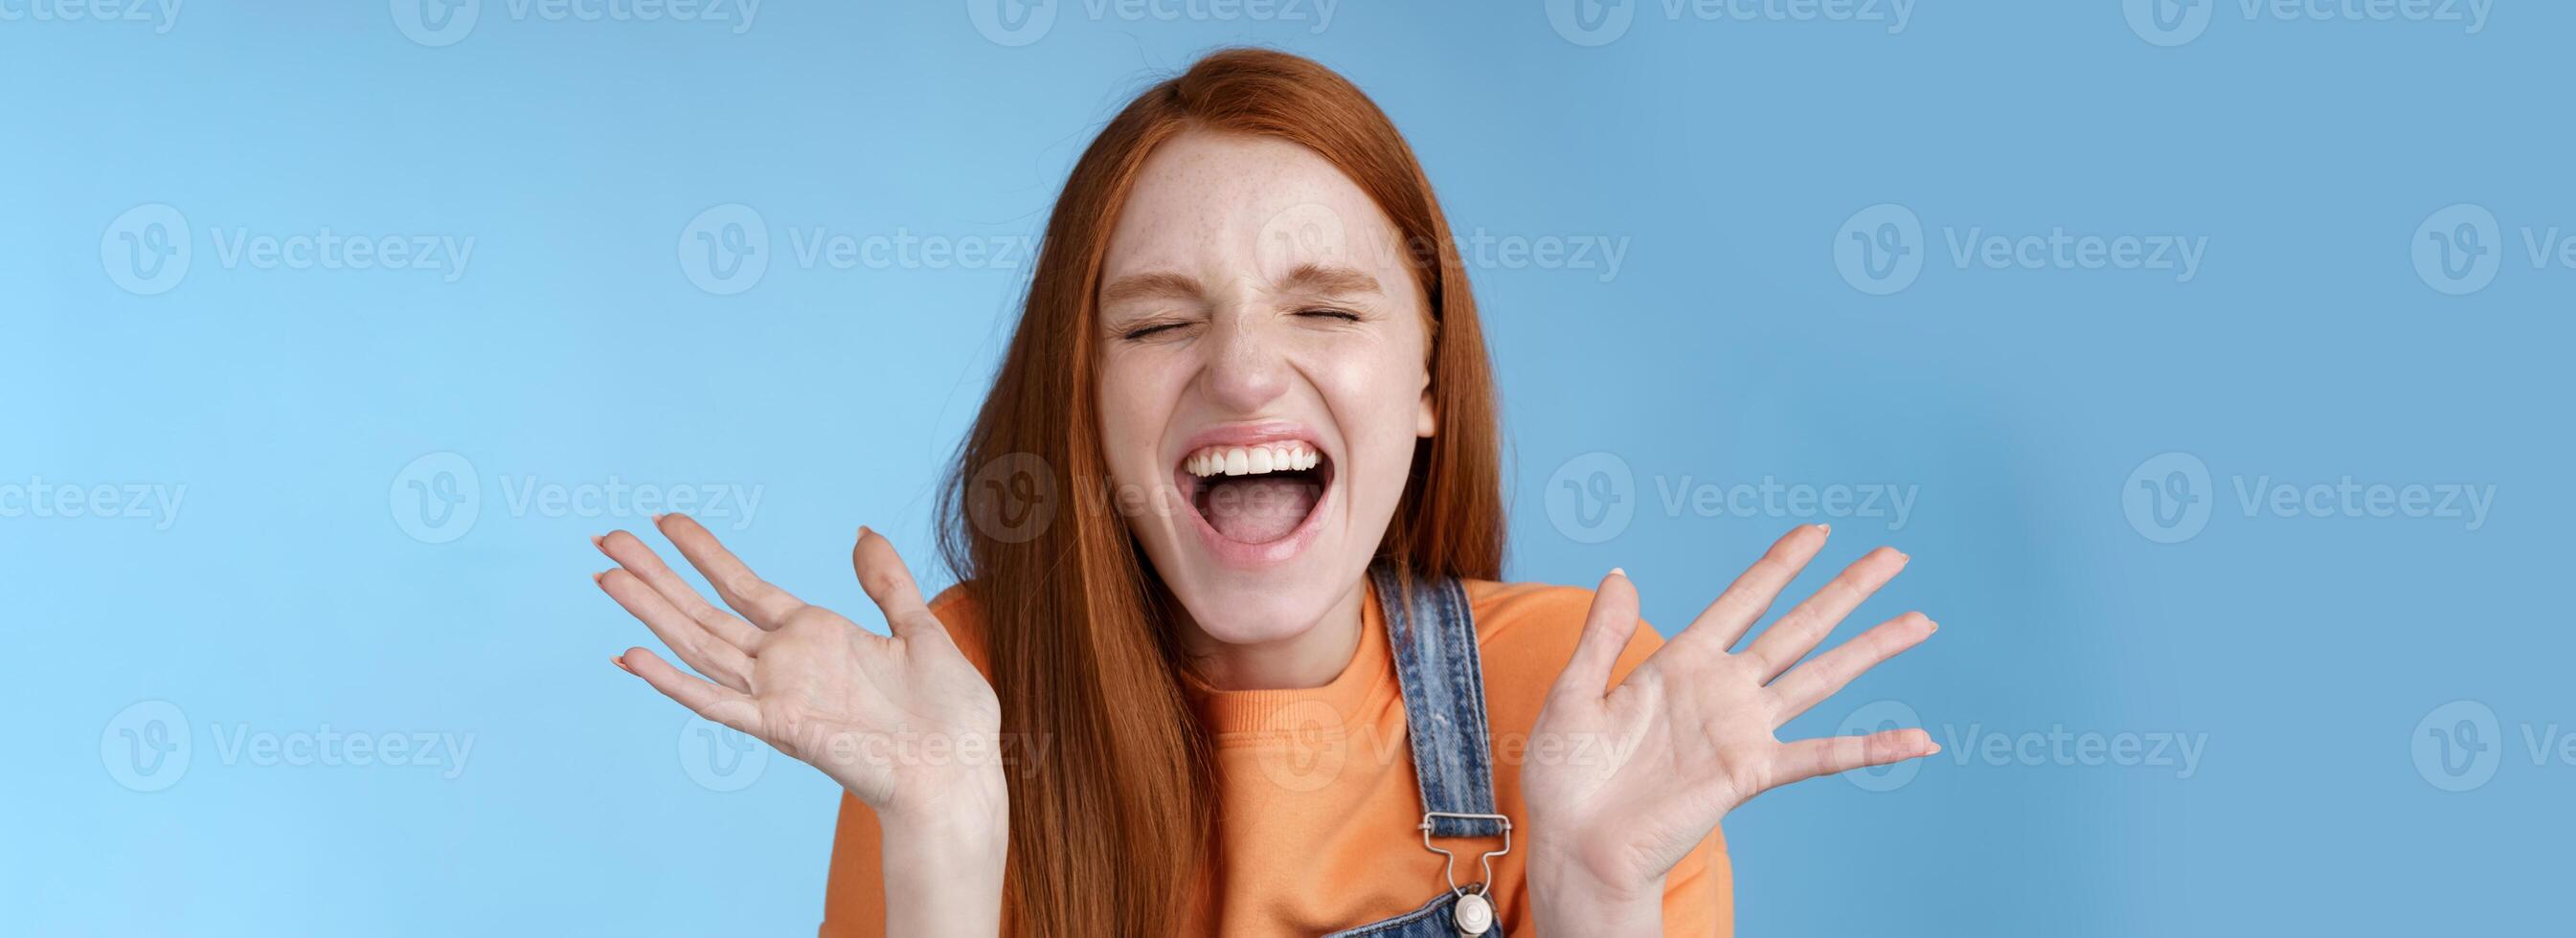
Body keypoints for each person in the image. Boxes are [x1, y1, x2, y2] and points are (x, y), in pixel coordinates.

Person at [588, 48, 1938, 937]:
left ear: (1425, 385)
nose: (1240, 374)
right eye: (1157, 324)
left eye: (1324, 308)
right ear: (1085, 403)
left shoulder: (1575, 704)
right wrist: (941, 839)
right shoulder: (964, 697)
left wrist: (1594, 902)